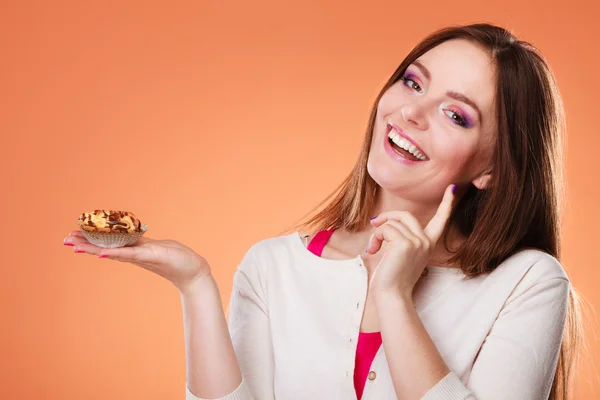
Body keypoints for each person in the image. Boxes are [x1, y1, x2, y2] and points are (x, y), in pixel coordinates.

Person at [63, 23, 582, 400]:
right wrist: (195, 284)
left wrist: (395, 296)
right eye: (412, 82)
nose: (411, 113)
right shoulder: (273, 268)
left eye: (455, 114)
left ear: (492, 167)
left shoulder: (528, 283)